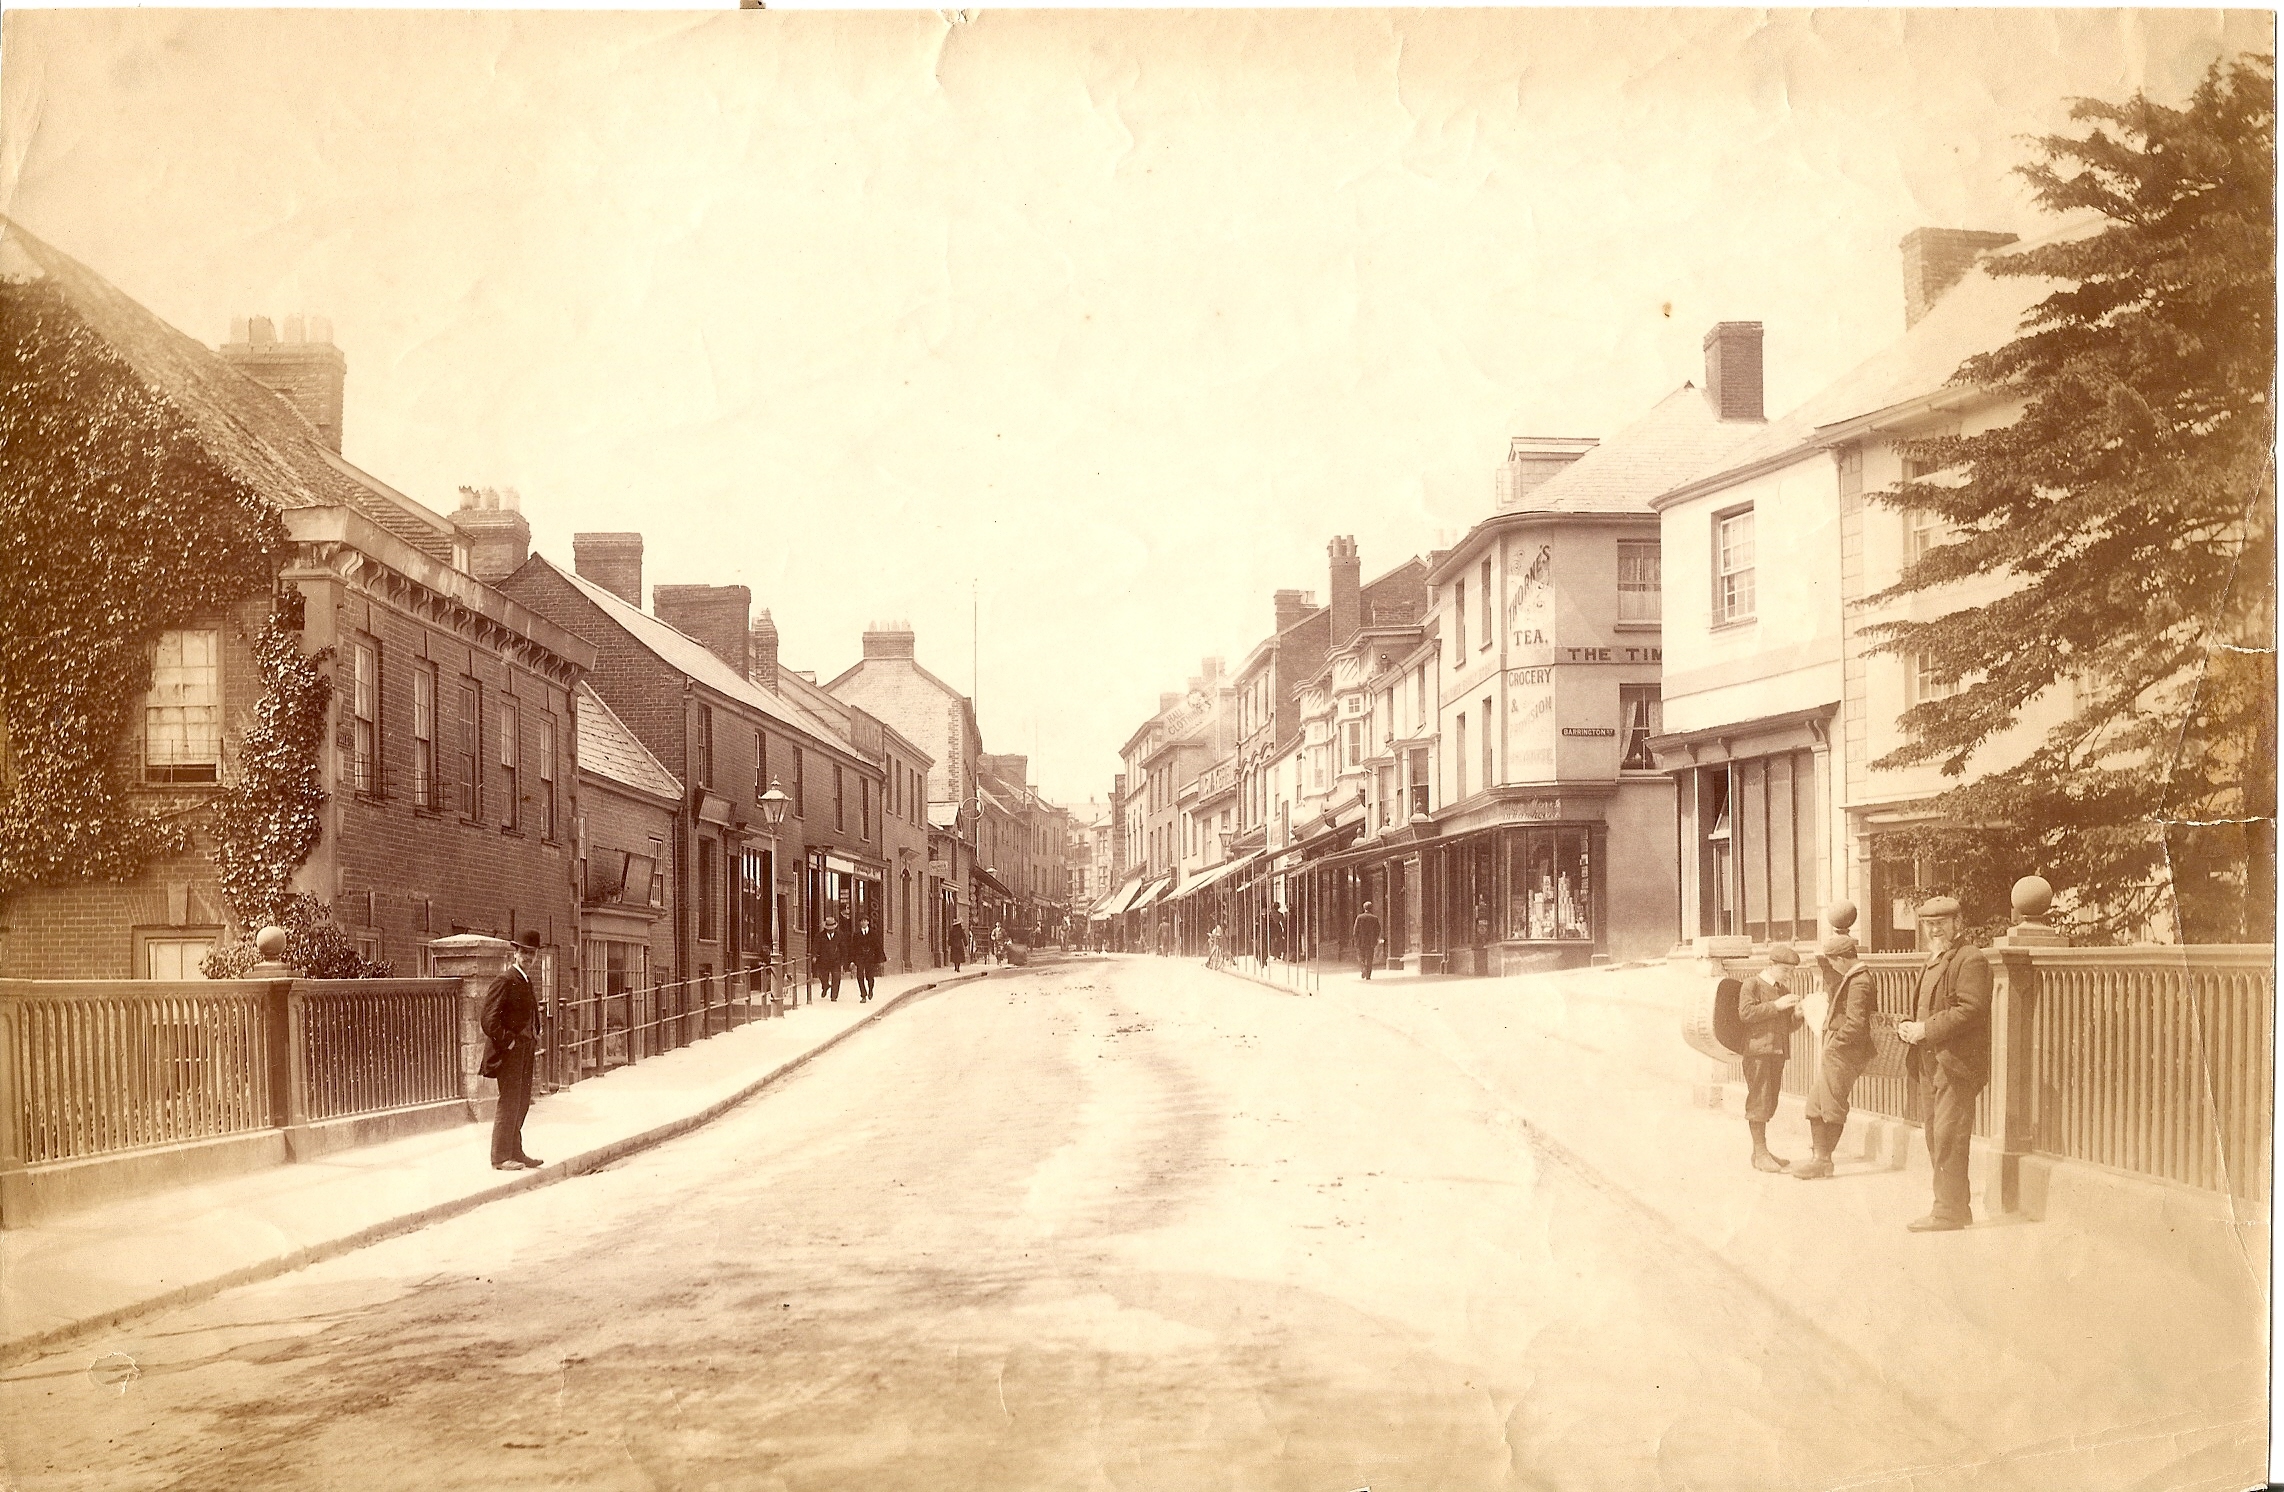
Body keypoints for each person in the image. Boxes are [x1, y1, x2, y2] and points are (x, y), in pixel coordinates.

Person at [1897, 897, 1991, 1231]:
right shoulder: (1933, 959)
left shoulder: (1970, 959)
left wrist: (1926, 1029)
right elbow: (1930, 1007)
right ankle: (1952, 1208)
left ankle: (1948, 1212)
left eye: (1942, 922)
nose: (1935, 929)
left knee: (1949, 1136)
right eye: (1929, 924)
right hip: (1929, 1062)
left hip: (1955, 1064)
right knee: (1936, 1137)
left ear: (1957, 923)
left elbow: (1971, 1008)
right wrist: (1909, 1025)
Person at [1795, 933, 1877, 1180]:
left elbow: (1856, 1025)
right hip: (1838, 1049)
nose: (1831, 966)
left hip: (1845, 1051)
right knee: (1816, 1104)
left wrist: (1834, 1045)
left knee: (1832, 1106)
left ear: (1842, 959)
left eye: (1832, 962)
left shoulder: (1860, 981)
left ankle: (1823, 1161)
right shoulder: (1853, 978)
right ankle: (1820, 1159)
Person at [1734, 943, 1805, 1172]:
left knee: (1770, 1101)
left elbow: (1785, 1026)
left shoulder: (1782, 990)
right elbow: (1746, 1014)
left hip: (1777, 1052)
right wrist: (1776, 1005)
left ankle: (1760, 1153)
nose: (1789, 975)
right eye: (1786, 970)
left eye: (1791, 971)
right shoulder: (1752, 984)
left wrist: (1797, 1016)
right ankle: (1761, 1153)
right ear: (1772, 965)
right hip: (1757, 1052)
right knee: (1759, 1100)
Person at [479, 931, 545, 1172]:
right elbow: (488, 1020)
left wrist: (536, 1030)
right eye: (524, 952)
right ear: (515, 953)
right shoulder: (505, 980)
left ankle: (515, 1151)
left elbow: (528, 1011)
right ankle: (499, 1157)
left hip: (526, 1050)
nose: (528, 957)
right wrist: (508, 1042)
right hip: (510, 1051)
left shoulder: (525, 979)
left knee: (522, 1101)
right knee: (509, 1101)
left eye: (532, 953)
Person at [852, 915, 883, 1002]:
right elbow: (853, 947)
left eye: (865, 921)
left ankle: (870, 990)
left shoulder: (873, 933)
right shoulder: (856, 934)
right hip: (860, 957)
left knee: (870, 977)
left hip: (870, 958)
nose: (863, 922)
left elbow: (878, 946)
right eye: (861, 921)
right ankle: (863, 995)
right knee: (859, 976)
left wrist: (879, 959)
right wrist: (853, 960)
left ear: (868, 922)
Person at [1352, 901, 1382, 980]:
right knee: (1369, 958)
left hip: (1361, 942)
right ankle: (1368, 975)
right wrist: (1375, 939)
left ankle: (1363, 968)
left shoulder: (1359, 917)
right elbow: (1378, 930)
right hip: (1370, 943)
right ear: (1371, 908)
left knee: (1361, 957)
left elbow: (1355, 931)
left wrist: (1356, 941)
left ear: (1364, 908)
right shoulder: (1374, 918)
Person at [817, 914, 844, 1001]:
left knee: (836, 978)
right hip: (824, 961)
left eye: (832, 928)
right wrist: (814, 956)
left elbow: (844, 949)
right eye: (828, 929)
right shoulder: (820, 936)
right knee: (822, 976)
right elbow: (815, 946)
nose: (830, 930)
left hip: (836, 961)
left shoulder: (840, 935)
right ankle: (825, 986)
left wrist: (843, 962)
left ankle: (834, 996)